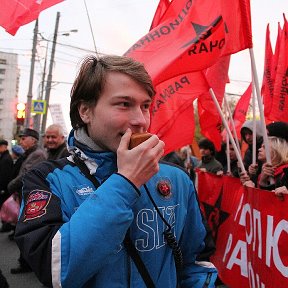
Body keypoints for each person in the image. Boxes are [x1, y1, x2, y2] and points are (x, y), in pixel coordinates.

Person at [14, 55, 217, 288]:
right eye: (124, 104)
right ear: (85, 111)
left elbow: (197, 261)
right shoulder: (47, 179)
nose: (140, 120)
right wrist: (126, 181)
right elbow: (55, 270)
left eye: (145, 106)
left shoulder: (176, 179)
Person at [8, 128, 47, 274]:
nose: (21, 141)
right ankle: (26, 263)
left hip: (31, 197)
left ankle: (27, 264)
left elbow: (26, 174)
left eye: (24, 138)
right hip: (27, 196)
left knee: (27, 231)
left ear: (33, 140)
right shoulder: (30, 153)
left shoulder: (37, 154)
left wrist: (11, 185)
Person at [240, 120, 263, 184]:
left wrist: (258, 169)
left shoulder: (266, 147)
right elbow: (245, 173)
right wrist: (248, 173)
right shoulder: (249, 150)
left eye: (250, 133)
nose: (247, 137)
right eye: (245, 134)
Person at [0, 139, 14, 233]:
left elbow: (4, 176)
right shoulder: (5, 157)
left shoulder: (6, 159)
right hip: (5, 188)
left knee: (4, 207)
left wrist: (2, 188)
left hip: (4, 189)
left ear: (3, 147)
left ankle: (6, 225)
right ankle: (6, 225)